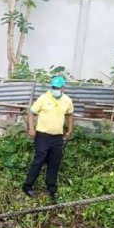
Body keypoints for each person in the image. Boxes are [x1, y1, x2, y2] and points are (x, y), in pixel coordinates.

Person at [22, 75, 74, 203]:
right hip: (43, 136)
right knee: (38, 161)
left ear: (63, 88)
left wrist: (70, 130)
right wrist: (31, 128)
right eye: (53, 87)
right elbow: (31, 112)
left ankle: (51, 189)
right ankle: (27, 186)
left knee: (54, 163)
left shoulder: (67, 100)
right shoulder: (43, 98)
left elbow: (70, 114)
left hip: (57, 137)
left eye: (58, 87)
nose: (55, 89)